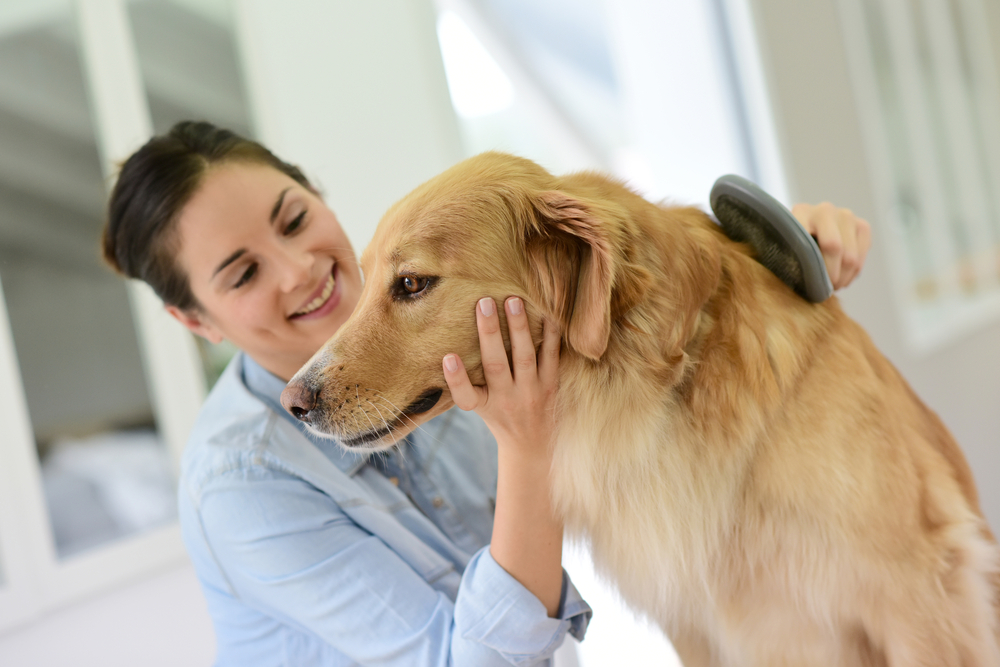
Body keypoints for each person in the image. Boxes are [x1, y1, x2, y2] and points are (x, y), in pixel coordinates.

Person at [102, 121, 871, 666]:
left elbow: (660, 334)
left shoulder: (466, 329)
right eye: (242, 273)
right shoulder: (240, 489)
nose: (299, 268)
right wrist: (527, 448)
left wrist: (779, 254)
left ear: (320, 196)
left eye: (295, 219)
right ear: (194, 320)